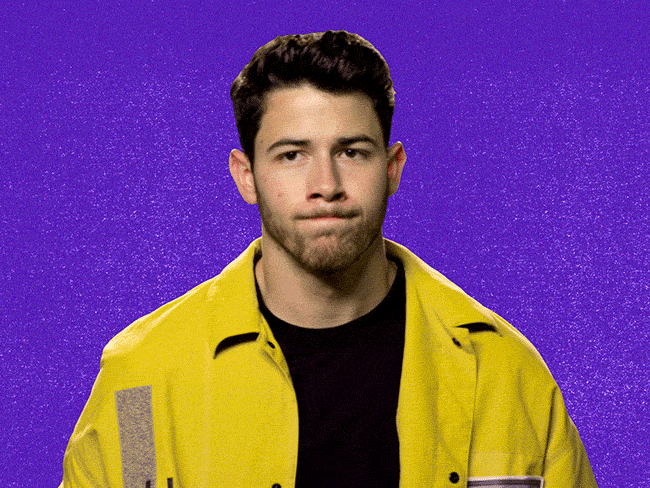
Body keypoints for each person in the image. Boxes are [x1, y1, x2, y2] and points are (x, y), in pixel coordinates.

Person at [59, 30, 597, 488]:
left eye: (351, 152)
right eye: (292, 155)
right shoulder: (139, 382)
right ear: (246, 176)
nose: (326, 185)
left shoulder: (504, 372)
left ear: (392, 168)